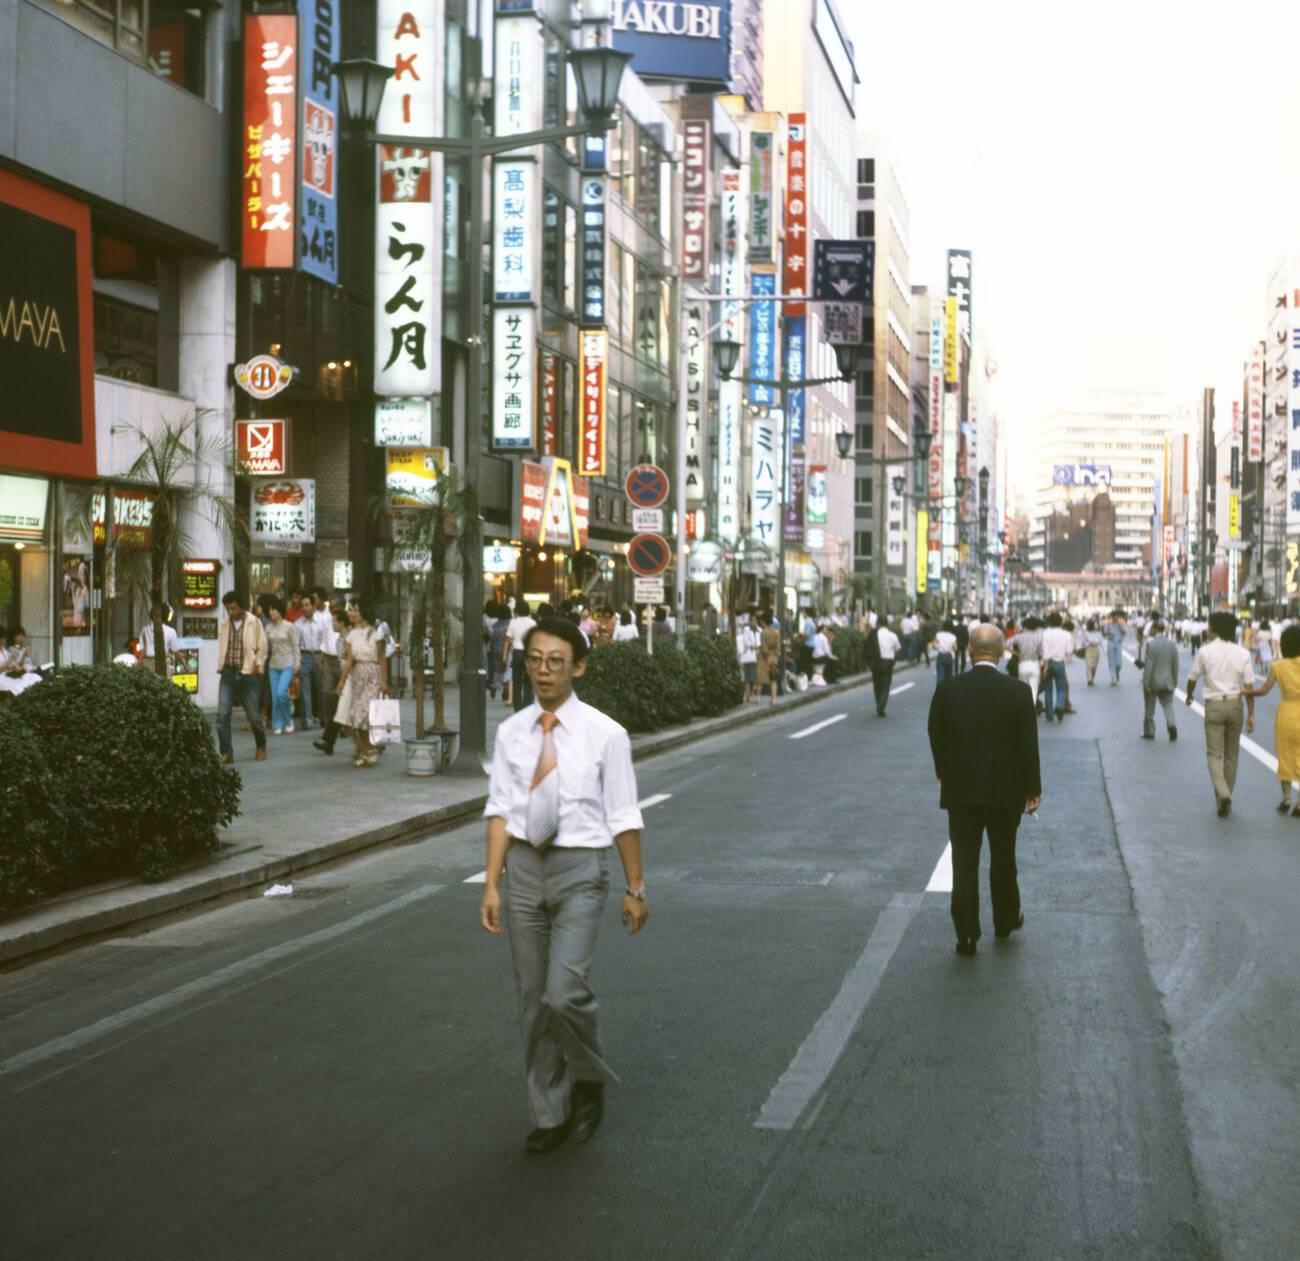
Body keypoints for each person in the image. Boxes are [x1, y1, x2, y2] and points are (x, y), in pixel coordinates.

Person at [480, 617, 648, 1155]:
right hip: (524, 871)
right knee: (533, 1001)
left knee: (564, 992)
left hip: (581, 870)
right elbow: (501, 810)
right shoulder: (511, 733)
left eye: (555, 661)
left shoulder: (606, 735)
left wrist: (635, 887)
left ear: (578, 666)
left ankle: (589, 1075)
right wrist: (490, 883)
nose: (543, 671)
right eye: (535, 659)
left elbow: (623, 814)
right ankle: (549, 1113)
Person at [927, 624, 1042, 957]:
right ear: (1003, 650)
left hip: (961, 790)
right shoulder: (1018, 692)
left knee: (964, 863)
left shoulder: (949, 689)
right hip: (1006, 791)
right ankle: (1005, 921)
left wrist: (942, 772)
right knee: (1004, 859)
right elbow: (1027, 744)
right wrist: (1032, 788)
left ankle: (966, 935)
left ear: (970, 651)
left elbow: (936, 731)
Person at [1186, 611, 1255, 817]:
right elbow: (1249, 687)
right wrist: (1251, 714)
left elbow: (1192, 677)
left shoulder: (1205, 651)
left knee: (1214, 755)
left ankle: (1222, 795)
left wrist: (1189, 695)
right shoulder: (1242, 653)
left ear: (1214, 629)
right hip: (1235, 705)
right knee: (1232, 755)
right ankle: (1226, 796)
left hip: (1214, 705)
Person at [1245, 623, 1300, 815]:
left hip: (1287, 714)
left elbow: (1264, 690)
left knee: (1285, 756)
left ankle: (1286, 798)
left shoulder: (1279, 666)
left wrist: (1244, 691)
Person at [215, 592, 269, 764]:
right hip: (228, 673)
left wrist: (257, 666)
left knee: (254, 716)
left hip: (248, 674)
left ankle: (261, 745)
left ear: (241, 606)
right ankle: (226, 752)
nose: (230, 612)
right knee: (222, 715)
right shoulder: (224, 625)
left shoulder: (254, 622)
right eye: (227, 608)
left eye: (233, 608)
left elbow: (263, 647)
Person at [336, 596, 388, 768]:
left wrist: (384, 681)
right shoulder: (351, 635)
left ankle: (367, 750)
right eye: (351, 609)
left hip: (372, 675)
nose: (352, 613)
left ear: (364, 612)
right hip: (357, 676)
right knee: (356, 718)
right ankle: (367, 750)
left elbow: (382, 659)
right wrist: (342, 681)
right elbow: (349, 660)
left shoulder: (376, 633)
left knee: (361, 714)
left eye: (356, 609)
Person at [263, 595, 301, 735]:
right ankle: (277, 723)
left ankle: (288, 720)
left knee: (281, 693)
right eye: (270, 610)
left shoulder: (289, 626)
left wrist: (297, 663)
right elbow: (265, 648)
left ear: (280, 611)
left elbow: (295, 646)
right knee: (275, 696)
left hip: (288, 664)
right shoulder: (268, 627)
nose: (271, 612)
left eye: (274, 610)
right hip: (273, 665)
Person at [313, 604, 349, 756]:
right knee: (339, 707)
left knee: (351, 711)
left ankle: (373, 743)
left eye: (335, 622)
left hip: (352, 677)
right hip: (345, 674)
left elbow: (349, 661)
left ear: (342, 623)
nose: (332, 624)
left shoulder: (349, 638)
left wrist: (343, 680)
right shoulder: (340, 639)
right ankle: (328, 741)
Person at [294, 592, 328, 730]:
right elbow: (296, 644)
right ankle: (307, 719)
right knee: (305, 689)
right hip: (305, 655)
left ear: (313, 606)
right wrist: (297, 661)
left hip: (319, 655)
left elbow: (325, 640)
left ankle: (322, 717)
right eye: (302, 606)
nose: (305, 608)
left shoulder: (322, 621)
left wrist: (324, 657)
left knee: (321, 688)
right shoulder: (297, 624)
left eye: (307, 605)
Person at [1141, 620, 1179, 742]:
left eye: (1152, 628)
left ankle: (1149, 732)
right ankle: (1171, 725)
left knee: (1149, 708)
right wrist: (1175, 681)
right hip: (1168, 681)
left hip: (1153, 682)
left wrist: (1146, 683)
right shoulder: (1172, 644)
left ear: (1155, 629)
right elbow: (1175, 665)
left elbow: (1148, 666)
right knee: (1168, 705)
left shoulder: (1151, 645)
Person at [1040, 613, 1073, 723]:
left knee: (1048, 689)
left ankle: (1049, 715)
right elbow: (1069, 651)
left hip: (1048, 663)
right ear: (1061, 622)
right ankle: (1059, 705)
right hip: (1060, 663)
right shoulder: (1066, 634)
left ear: (1049, 622)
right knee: (1061, 688)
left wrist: (1044, 665)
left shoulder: (1045, 633)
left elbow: (1043, 650)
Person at [505, 599, 537, 711]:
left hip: (517, 653)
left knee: (516, 681)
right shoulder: (532, 623)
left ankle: (517, 707)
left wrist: (504, 655)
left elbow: (508, 640)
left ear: (517, 610)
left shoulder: (513, 622)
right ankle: (527, 706)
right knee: (528, 682)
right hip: (529, 654)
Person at [869, 616, 901, 717]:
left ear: (878, 623)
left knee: (876, 684)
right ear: (887, 624)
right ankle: (881, 706)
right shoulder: (893, 635)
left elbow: (867, 648)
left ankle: (878, 702)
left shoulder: (873, 635)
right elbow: (897, 649)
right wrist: (894, 661)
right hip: (888, 662)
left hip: (876, 662)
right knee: (885, 685)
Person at [138, 603, 178, 675]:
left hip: (147, 663)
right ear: (166, 615)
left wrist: (138, 664)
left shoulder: (144, 630)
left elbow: (142, 651)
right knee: (164, 685)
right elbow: (175, 650)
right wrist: (185, 665)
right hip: (163, 663)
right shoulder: (171, 631)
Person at [756, 612, 781, 704]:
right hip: (774, 656)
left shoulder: (763, 632)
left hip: (764, 658)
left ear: (763, 622)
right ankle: (773, 699)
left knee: (760, 678)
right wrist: (775, 656)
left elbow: (764, 647)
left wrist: (767, 656)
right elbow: (778, 647)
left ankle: (757, 698)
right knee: (773, 678)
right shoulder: (776, 632)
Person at [737, 615, 759, 702]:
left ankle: (749, 695)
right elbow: (752, 644)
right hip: (750, 656)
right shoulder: (749, 632)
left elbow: (739, 650)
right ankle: (749, 695)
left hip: (749, 657)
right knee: (749, 677)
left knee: (750, 677)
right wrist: (753, 647)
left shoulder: (757, 630)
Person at [1103, 613, 1126, 685]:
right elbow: (1105, 634)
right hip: (1111, 643)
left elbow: (1124, 632)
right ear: (1112, 617)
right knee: (1111, 662)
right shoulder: (1107, 625)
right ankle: (1113, 679)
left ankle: (1117, 673)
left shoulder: (1121, 624)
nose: (1115, 619)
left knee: (1119, 663)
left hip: (1118, 644)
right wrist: (1109, 634)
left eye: (1116, 617)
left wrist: (1120, 626)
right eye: (1114, 617)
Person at [1083, 617, 1103, 685]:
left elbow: (1101, 641)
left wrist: (1097, 643)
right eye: (1095, 624)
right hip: (1089, 649)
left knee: (1094, 666)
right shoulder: (1087, 633)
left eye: (1097, 624)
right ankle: (1089, 680)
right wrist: (1089, 643)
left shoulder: (1098, 633)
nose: (1096, 625)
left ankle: (1092, 678)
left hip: (1096, 650)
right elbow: (1084, 642)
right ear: (1091, 625)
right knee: (1089, 665)